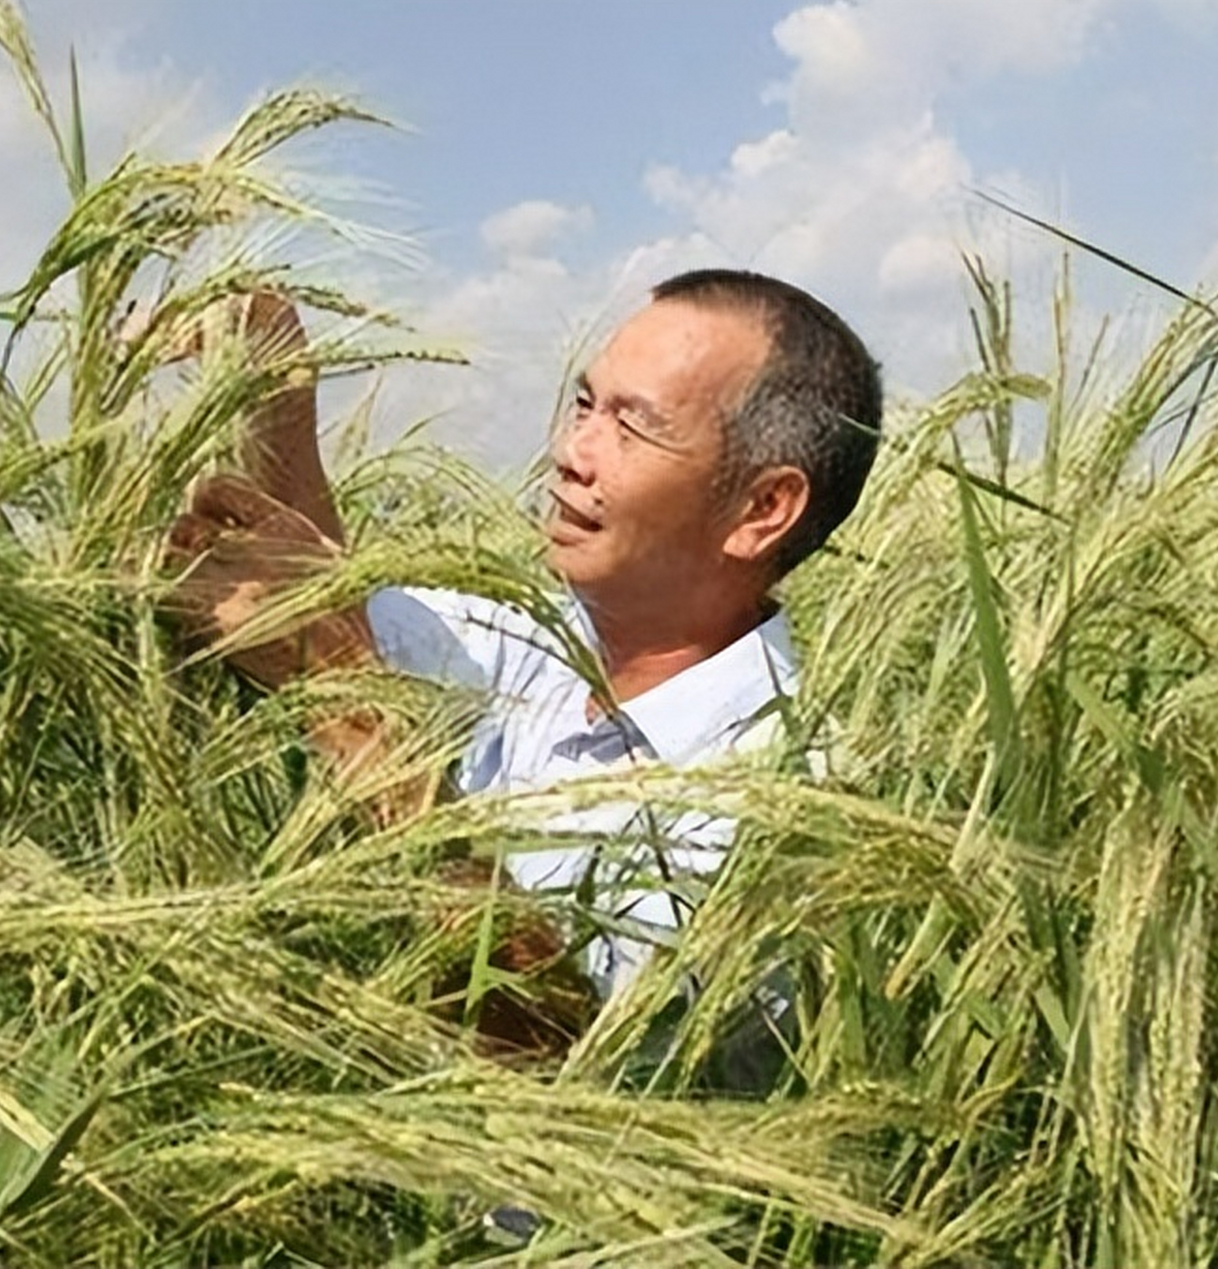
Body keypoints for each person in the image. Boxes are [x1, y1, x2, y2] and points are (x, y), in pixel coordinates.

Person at [160, 269, 882, 1052]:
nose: (570, 453)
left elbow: (561, 1056)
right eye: (584, 405)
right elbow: (322, 603)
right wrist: (277, 382)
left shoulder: (776, 797)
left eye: (631, 427)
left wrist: (347, 705)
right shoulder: (546, 642)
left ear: (760, 509)